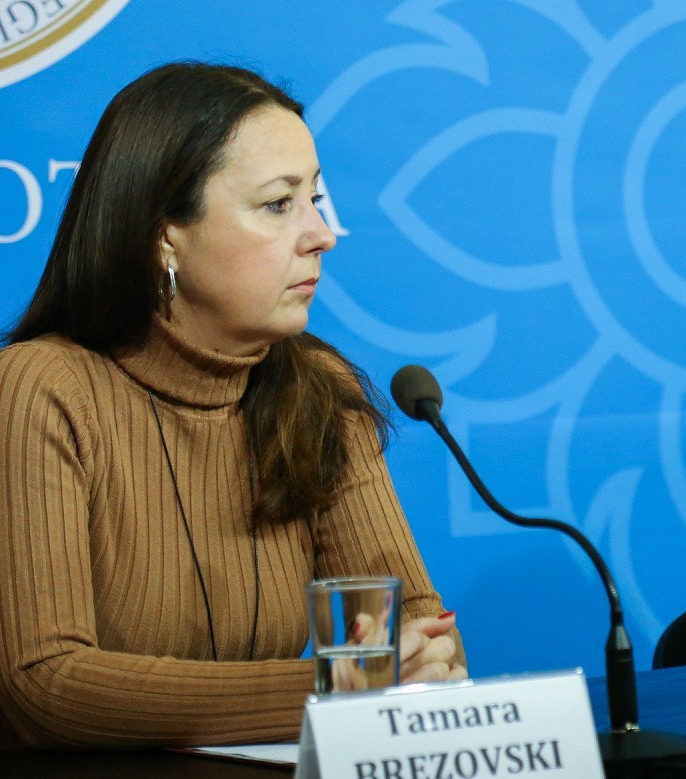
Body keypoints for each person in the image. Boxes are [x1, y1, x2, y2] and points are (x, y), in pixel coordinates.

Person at [0, 63, 466, 748]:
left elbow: (411, 631)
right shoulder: (43, 388)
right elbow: (46, 682)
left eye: (315, 199)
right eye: (279, 204)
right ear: (166, 235)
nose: (321, 234)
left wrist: (425, 661)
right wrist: (336, 689)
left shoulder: (319, 389)